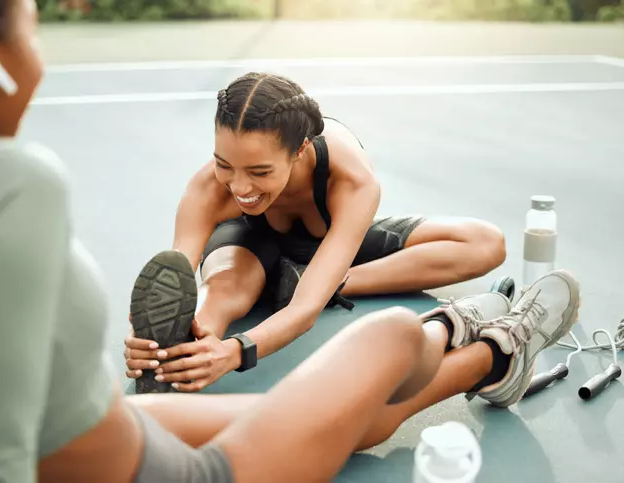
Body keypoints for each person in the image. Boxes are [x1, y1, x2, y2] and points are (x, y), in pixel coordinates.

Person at [0, 1, 581, 482]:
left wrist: (179, 348)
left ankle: (478, 345)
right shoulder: (14, 185)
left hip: (107, 424)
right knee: (391, 343)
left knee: (332, 407)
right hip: (172, 468)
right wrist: (222, 335)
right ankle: (492, 346)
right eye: (33, 24)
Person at [124, 71, 508, 393]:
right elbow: (176, 276)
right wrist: (159, 340)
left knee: (485, 243)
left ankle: (318, 280)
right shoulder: (209, 188)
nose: (239, 187)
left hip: (326, 248)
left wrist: (238, 351)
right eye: (224, 164)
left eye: (259, 172)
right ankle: (182, 351)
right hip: (246, 245)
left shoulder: (353, 181)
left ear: (300, 149)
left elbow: (305, 310)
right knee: (223, 289)